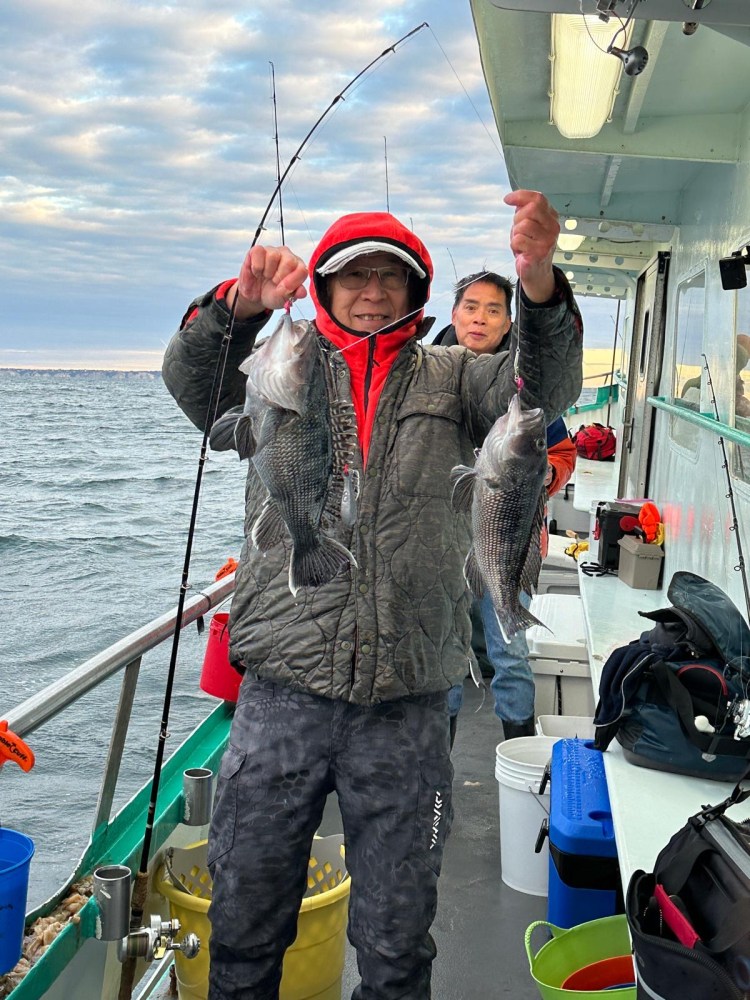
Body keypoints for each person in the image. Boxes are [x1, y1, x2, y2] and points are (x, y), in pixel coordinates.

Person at [162, 190, 582, 1000]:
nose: (372, 291)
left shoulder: (457, 377)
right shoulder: (275, 371)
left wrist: (539, 286)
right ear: (322, 286)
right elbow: (193, 384)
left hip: (410, 701)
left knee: (397, 943)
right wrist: (239, 305)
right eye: (354, 276)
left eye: (393, 277)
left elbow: (545, 388)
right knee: (244, 924)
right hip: (280, 694)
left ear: (419, 292)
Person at [435, 272, 577, 741]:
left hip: (507, 540)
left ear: (509, 321)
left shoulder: (525, 386)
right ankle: (437, 761)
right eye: (471, 307)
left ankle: (518, 754)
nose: (480, 318)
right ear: (454, 314)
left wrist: (534, 479)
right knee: (445, 653)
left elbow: (561, 452)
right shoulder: (426, 372)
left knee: (510, 653)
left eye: (494, 309)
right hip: (440, 543)